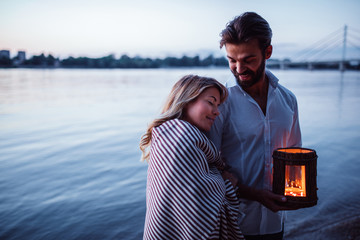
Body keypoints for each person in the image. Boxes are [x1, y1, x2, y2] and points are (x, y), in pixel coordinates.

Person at [207, 12, 302, 240]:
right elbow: (208, 167)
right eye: (232, 60)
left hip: (274, 222)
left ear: (267, 52)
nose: (239, 68)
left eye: (248, 59)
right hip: (232, 222)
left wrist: (298, 194)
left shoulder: (288, 100)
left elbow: (295, 157)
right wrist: (256, 195)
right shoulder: (220, 102)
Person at [140, 75, 244, 239]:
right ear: (186, 99)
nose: (217, 112)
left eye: (217, 105)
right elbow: (200, 210)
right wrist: (228, 183)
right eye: (211, 102)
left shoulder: (167, 134)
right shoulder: (182, 140)